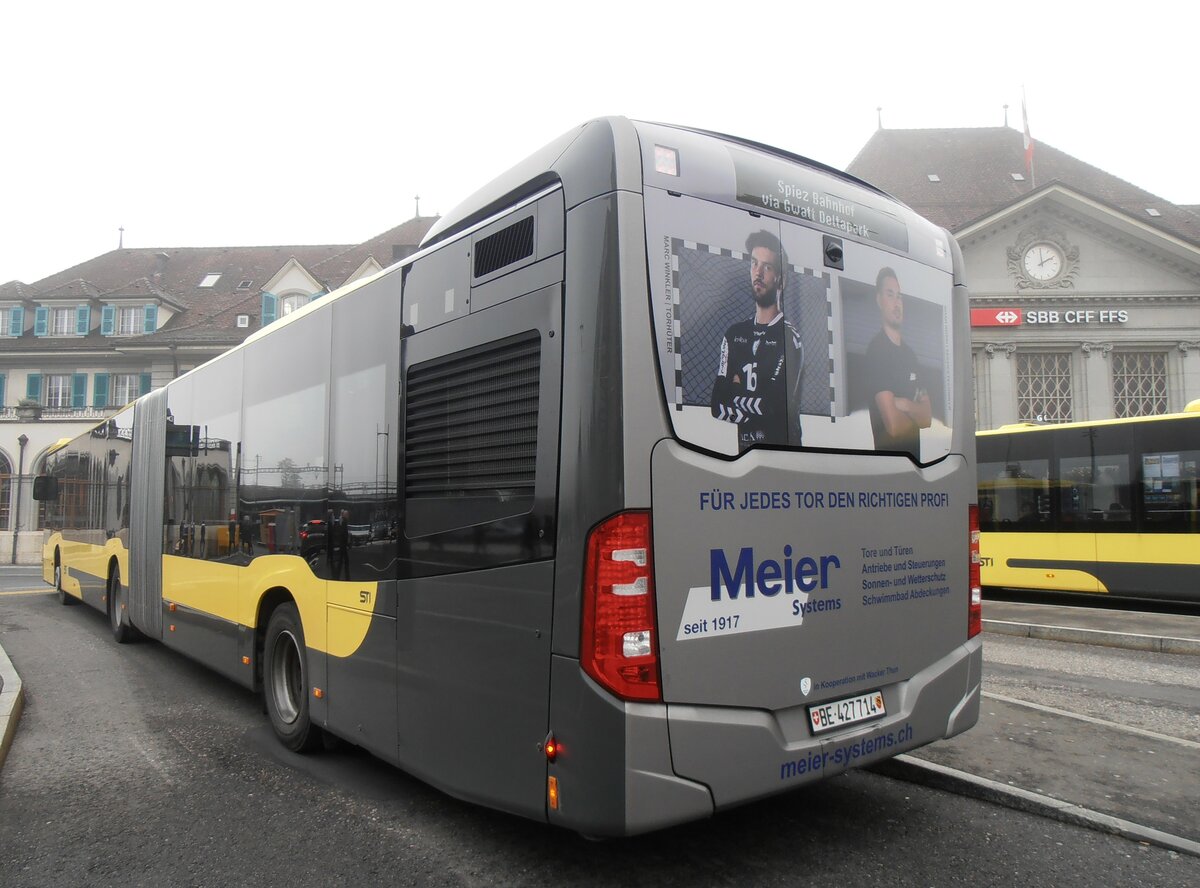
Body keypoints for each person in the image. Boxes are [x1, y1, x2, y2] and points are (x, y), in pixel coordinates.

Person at [709, 230, 804, 447]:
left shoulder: (789, 339)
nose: (758, 273)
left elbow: (774, 407)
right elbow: (717, 404)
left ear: (781, 281)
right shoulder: (734, 335)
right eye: (754, 263)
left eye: (767, 267)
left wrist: (736, 391)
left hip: (783, 457)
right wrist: (756, 404)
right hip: (746, 455)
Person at [864, 267, 931, 455]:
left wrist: (906, 405)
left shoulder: (911, 355)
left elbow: (927, 419)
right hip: (889, 468)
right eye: (890, 295)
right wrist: (915, 413)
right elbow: (893, 426)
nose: (897, 303)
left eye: (899, 296)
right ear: (879, 300)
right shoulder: (877, 352)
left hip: (916, 466)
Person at [327, 509, 351, 580]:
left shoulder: (334, 523)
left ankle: (336, 576)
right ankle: (339, 576)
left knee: (339, 562)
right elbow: (343, 534)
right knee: (341, 562)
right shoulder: (343, 523)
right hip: (342, 546)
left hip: (340, 546)